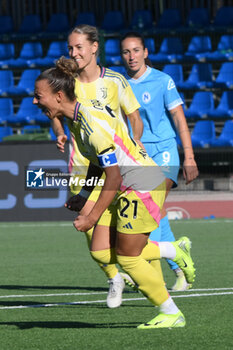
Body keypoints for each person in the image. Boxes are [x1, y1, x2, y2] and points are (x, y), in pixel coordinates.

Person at [33, 57, 195, 328]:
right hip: (123, 184)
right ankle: (173, 250)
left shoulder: (91, 125)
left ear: (59, 96)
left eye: (39, 97)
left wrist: (91, 216)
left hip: (142, 183)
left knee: (129, 258)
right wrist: (84, 195)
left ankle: (170, 312)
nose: (35, 102)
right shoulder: (75, 120)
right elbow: (99, 163)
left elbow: (114, 175)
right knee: (100, 252)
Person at [51, 24, 144, 308]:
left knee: (119, 237)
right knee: (92, 234)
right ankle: (114, 277)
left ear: (94, 47)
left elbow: (134, 118)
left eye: (79, 47)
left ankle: (169, 253)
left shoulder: (115, 81)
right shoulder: (67, 84)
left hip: (117, 166)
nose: (74, 52)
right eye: (70, 47)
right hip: (84, 167)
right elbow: (52, 110)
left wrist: (136, 142)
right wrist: (59, 131)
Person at [120, 32, 199, 291]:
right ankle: (179, 264)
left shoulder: (162, 81)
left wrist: (188, 155)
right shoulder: (120, 84)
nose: (131, 56)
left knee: (150, 211)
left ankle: (151, 276)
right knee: (156, 214)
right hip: (137, 157)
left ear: (146, 52)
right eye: (125, 52)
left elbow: (179, 119)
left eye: (135, 50)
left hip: (164, 152)